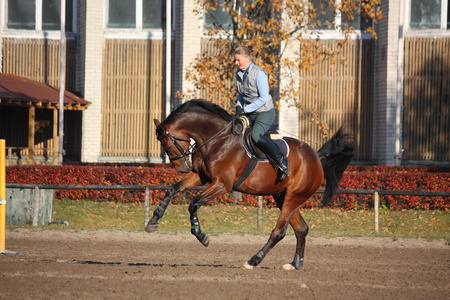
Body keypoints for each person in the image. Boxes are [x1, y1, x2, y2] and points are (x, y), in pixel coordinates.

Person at [234, 46, 289, 179]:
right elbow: (240, 94)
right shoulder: (239, 73)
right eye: (235, 61)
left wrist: (245, 109)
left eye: (238, 60)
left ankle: (282, 163)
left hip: (265, 112)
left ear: (247, 58)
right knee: (234, 131)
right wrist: (238, 105)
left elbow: (264, 98)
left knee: (255, 136)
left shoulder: (259, 73)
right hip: (250, 112)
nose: (236, 63)